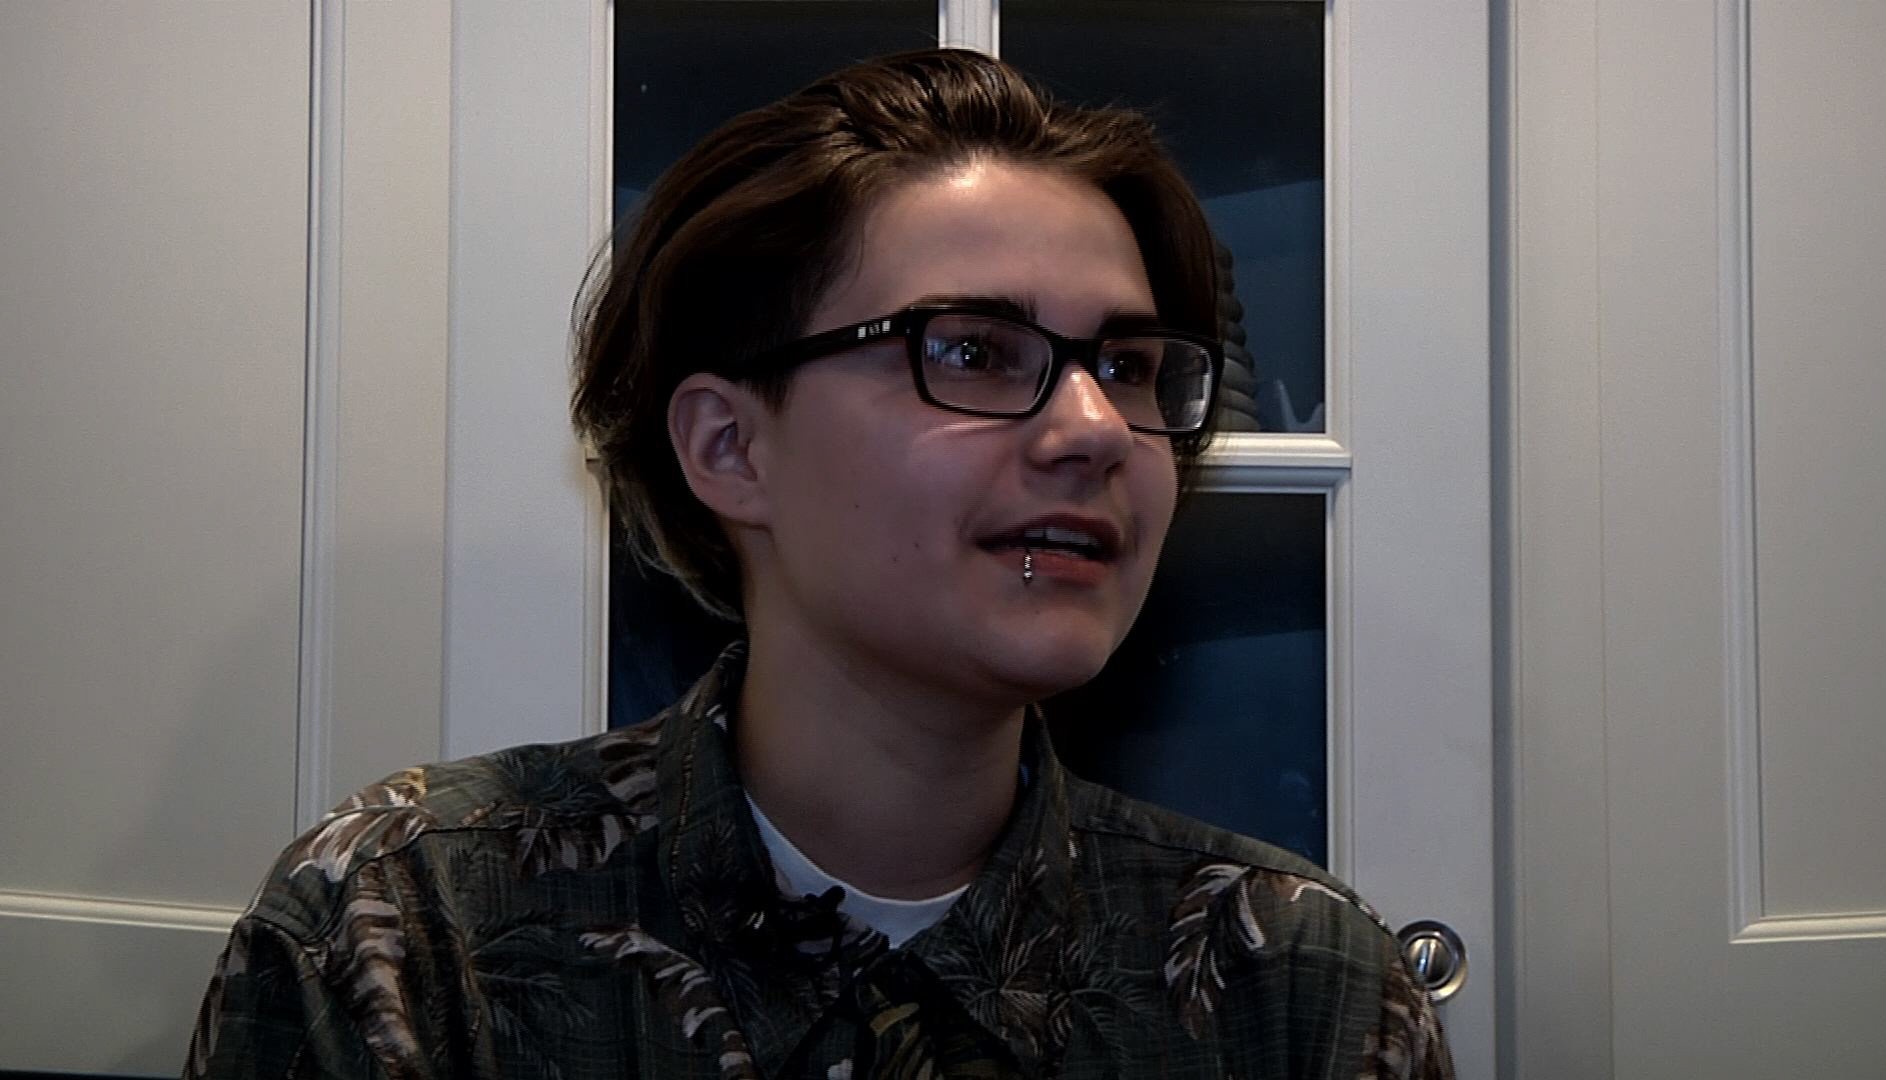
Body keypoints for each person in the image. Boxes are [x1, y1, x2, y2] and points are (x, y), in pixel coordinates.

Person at [185, 49, 1452, 1080]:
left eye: (1127, 366)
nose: (1092, 430)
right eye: (971, 350)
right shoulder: (409, 931)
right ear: (731, 447)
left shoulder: (1301, 986)